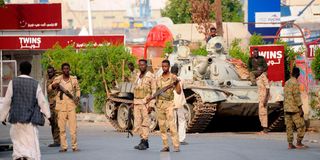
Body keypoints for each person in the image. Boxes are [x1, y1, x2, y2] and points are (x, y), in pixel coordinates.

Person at [0, 61, 50, 160]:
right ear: (30, 71)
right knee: (30, 143)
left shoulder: (13, 82)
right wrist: (49, 116)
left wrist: (2, 117)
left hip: (16, 119)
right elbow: (42, 102)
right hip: (30, 121)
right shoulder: (35, 84)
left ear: (19, 70)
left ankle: (19, 157)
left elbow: (7, 101)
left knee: (18, 142)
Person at [49, 63, 81, 152]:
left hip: (71, 105)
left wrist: (77, 97)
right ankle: (64, 147)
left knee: (73, 128)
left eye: (67, 69)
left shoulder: (73, 79)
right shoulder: (58, 79)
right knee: (62, 128)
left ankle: (74, 146)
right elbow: (49, 88)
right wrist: (53, 86)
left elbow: (78, 89)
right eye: (64, 69)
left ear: (69, 69)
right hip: (61, 106)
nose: (66, 70)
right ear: (62, 70)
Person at [155, 60, 181, 152]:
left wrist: (177, 83)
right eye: (163, 66)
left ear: (169, 67)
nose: (164, 68)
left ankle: (176, 146)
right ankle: (166, 146)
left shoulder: (173, 77)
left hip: (169, 104)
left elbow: (179, 91)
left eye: (166, 66)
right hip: (160, 104)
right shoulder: (158, 78)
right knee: (162, 126)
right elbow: (156, 92)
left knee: (172, 126)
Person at [132, 59, 156, 150]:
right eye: (140, 65)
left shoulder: (150, 76)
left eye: (143, 65)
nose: (141, 66)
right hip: (137, 103)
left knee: (145, 123)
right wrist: (133, 102)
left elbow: (154, 91)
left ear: (146, 66)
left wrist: (151, 105)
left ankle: (145, 141)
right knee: (138, 123)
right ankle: (142, 140)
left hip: (145, 104)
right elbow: (135, 89)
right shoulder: (138, 76)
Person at [284, 67, 307, 149]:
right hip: (294, 109)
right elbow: (297, 97)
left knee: (289, 127)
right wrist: (301, 109)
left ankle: (290, 144)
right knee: (302, 125)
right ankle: (299, 142)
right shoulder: (295, 83)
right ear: (298, 74)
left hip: (286, 108)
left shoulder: (286, 82)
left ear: (291, 73)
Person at [171, 65, 188, 145]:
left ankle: (174, 139)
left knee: (173, 121)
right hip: (179, 102)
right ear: (177, 71)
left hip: (171, 102)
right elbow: (183, 87)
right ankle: (181, 139)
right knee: (181, 120)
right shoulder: (181, 79)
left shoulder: (168, 79)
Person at [46, 66, 60, 147]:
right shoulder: (48, 79)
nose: (49, 73)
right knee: (52, 123)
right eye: (48, 72)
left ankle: (58, 140)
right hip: (51, 104)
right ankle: (56, 140)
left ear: (53, 72)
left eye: (51, 72)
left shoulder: (57, 79)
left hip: (57, 104)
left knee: (57, 123)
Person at [255, 67, 270, 134]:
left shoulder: (263, 76)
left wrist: (265, 99)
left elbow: (267, 88)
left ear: (262, 71)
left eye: (259, 70)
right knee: (261, 113)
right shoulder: (259, 77)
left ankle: (265, 129)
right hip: (261, 97)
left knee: (263, 113)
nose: (258, 71)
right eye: (257, 70)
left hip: (263, 97)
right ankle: (263, 128)